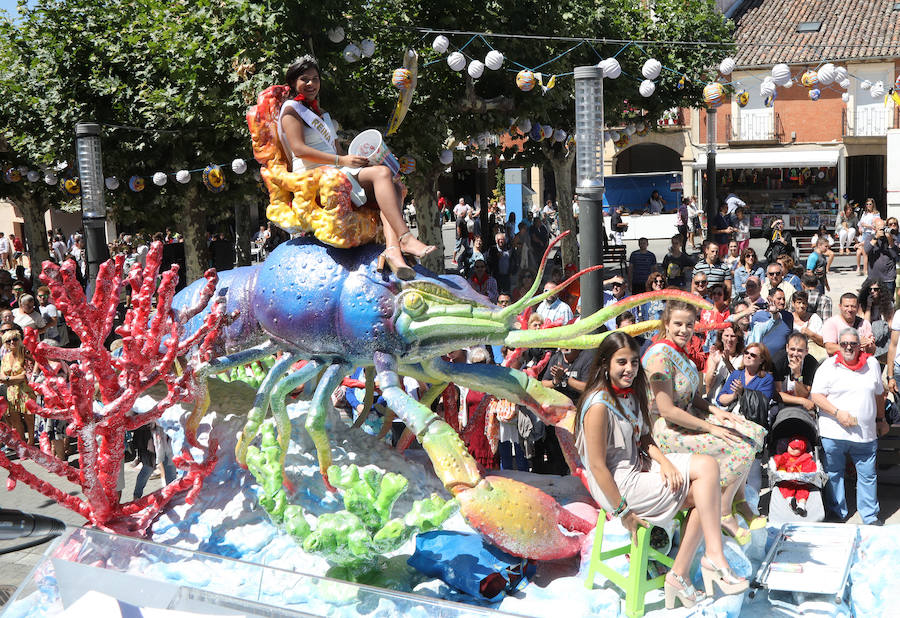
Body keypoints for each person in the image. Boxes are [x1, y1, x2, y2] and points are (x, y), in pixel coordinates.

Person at [577, 333, 747, 608]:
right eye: (622, 362)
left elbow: (644, 438)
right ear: (605, 363)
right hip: (616, 486)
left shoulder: (630, 394)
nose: (630, 369)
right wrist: (624, 514)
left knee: (707, 481)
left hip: (639, 468)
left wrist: (665, 462)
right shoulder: (598, 405)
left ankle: (686, 570)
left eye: (634, 362)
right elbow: (597, 466)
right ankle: (704, 563)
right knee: (705, 479)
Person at [278, 56, 434, 280]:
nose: (311, 84)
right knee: (381, 174)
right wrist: (343, 162)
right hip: (313, 176)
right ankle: (405, 237)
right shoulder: (291, 110)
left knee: (394, 183)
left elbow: (338, 152)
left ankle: (393, 251)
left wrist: (360, 160)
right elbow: (300, 150)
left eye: (315, 79)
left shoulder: (321, 114)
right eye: (305, 79)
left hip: (336, 168)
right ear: (293, 82)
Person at [642, 300, 766, 545]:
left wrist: (716, 412)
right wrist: (712, 427)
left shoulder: (681, 353)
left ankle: (737, 499)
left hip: (689, 418)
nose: (684, 330)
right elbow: (667, 411)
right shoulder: (659, 357)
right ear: (666, 324)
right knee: (737, 444)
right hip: (668, 430)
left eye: (689, 325)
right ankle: (723, 510)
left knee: (752, 432)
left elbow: (694, 398)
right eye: (678, 324)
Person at [810, 327, 888, 525]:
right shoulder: (828, 366)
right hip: (834, 432)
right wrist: (837, 413)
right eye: (844, 343)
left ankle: (869, 516)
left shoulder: (872, 364)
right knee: (834, 474)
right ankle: (838, 513)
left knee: (868, 476)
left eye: (853, 344)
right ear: (839, 344)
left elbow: (879, 394)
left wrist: (881, 419)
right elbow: (816, 396)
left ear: (859, 345)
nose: (848, 347)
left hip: (865, 434)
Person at [716, 342, 776, 426]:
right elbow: (720, 399)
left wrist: (743, 392)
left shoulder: (766, 379)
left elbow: (761, 406)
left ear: (761, 360)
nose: (748, 356)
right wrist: (734, 395)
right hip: (730, 417)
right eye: (746, 353)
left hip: (751, 423)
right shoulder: (736, 374)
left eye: (753, 355)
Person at [0, 326, 35, 445]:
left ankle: (31, 442)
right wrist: (11, 379)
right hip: (12, 392)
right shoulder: (5, 357)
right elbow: (1, 376)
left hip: (26, 390)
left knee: (29, 418)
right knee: (15, 419)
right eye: (8, 341)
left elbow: (25, 376)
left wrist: (9, 379)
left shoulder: (25, 353)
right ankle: (23, 443)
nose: (12, 342)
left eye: (14, 339)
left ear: (19, 339)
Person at [774, 331, 819, 413]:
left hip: (803, 403)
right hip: (781, 403)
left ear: (806, 351)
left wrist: (797, 375)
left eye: (800, 350)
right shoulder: (778, 361)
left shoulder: (811, 363)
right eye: (792, 349)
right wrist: (802, 401)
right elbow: (777, 395)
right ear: (787, 348)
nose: (795, 354)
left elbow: (804, 394)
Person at [703, 324, 745, 403]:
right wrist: (715, 365)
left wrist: (727, 363)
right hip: (713, 401)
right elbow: (708, 384)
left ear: (738, 339)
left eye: (733, 336)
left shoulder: (743, 358)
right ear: (721, 337)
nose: (729, 339)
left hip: (731, 404)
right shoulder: (715, 355)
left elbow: (739, 381)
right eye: (726, 335)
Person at [862, 218, 899, 299]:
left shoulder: (892, 238)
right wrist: (876, 237)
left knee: (888, 303)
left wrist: (890, 240)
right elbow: (867, 250)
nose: (883, 230)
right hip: (874, 278)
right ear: (875, 228)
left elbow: (895, 255)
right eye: (880, 228)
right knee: (872, 302)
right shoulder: (870, 238)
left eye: (884, 227)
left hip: (888, 278)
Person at [790, 291, 825, 360]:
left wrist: (810, 333)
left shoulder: (814, 318)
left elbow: (824, 342)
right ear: (793, 304)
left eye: (804, 303)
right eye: (799, 303)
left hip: (813, 355)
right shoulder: (788, 318)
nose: (802, 306)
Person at [855, 198, 879, 276]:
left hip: (870, 234)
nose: (868, 206)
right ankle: (859, 268)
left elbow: (875, 225)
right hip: (864, 233)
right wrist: (861, 228)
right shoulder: (864, 213)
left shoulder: (876, 214)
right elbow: (860, 223)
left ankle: (865, 270)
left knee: (865, 252)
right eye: (867, 204)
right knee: (859, 251)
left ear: (873, 205)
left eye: (870, 204)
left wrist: (867, 225)